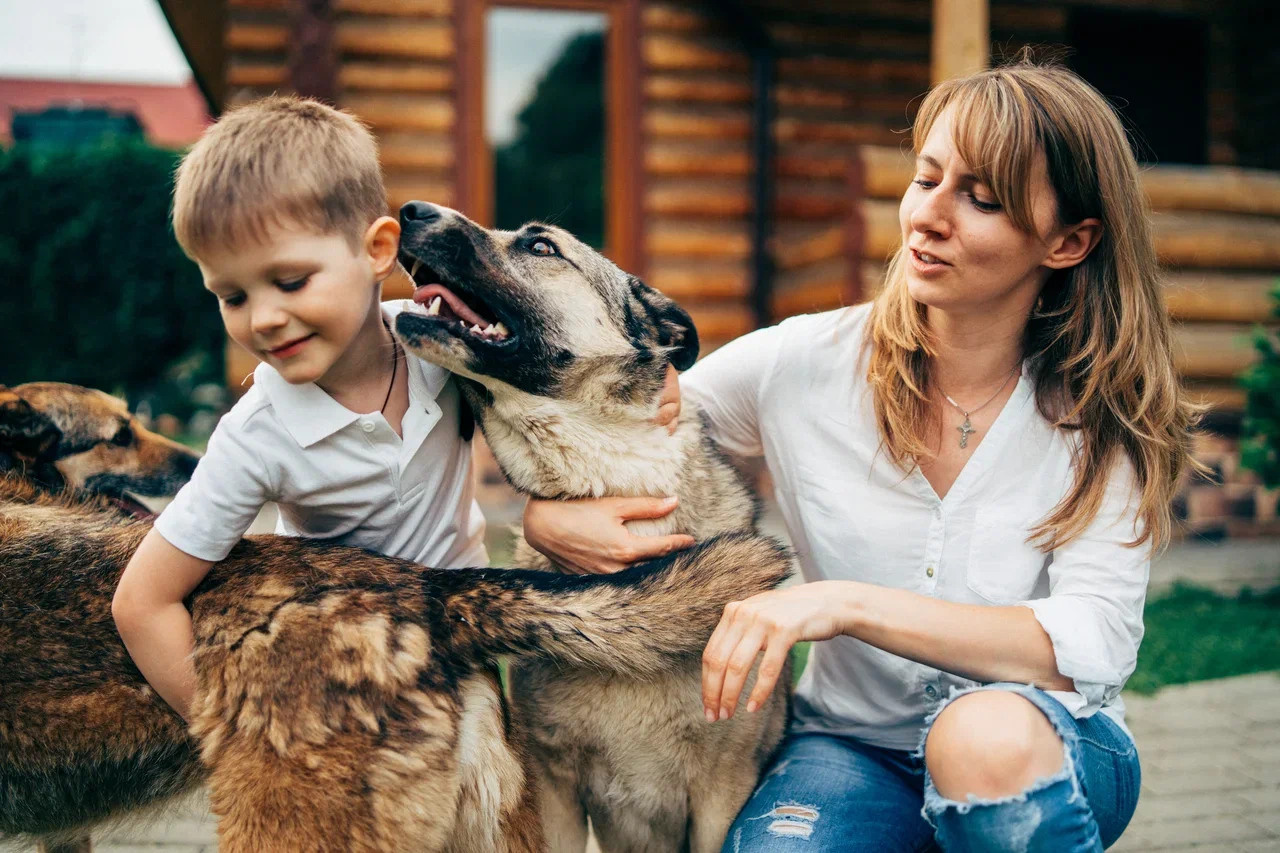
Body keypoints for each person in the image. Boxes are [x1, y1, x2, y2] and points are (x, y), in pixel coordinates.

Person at [522, 58, 1200, 851]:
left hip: (1044, 745)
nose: (928, 216)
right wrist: (547, 516)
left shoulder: (1102, 412)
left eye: (981, 198)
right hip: (851, 750)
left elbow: (1094, 643)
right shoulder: (800, 362)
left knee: (980, 740)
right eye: (927, 178)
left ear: (1068, 240)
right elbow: (638, 435)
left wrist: (842, 602)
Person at [111, 96, 490, 721]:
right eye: (231, 296)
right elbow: (142, 602)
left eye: (290, 282)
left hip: (472, 655)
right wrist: (239, 741)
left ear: (377, 251)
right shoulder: (256, 436)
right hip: (350, 694)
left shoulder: (441, 345)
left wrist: (664, 381)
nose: (262, 318)